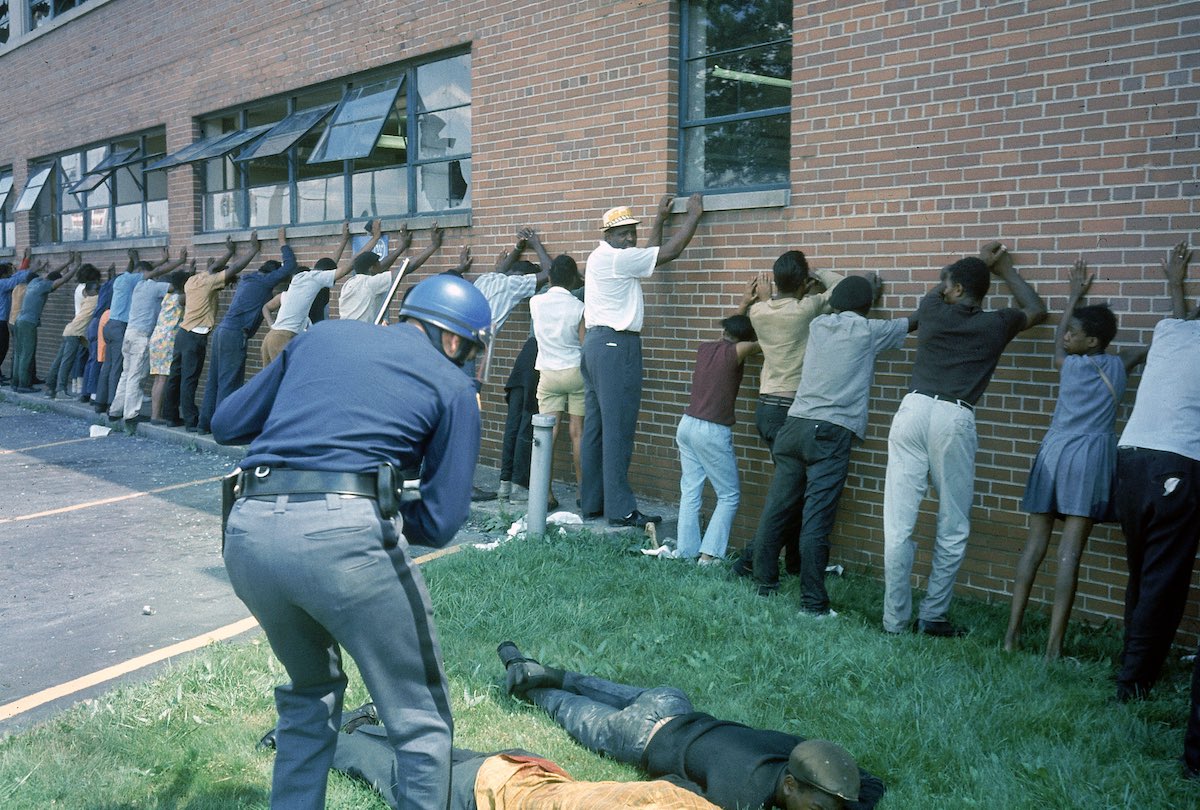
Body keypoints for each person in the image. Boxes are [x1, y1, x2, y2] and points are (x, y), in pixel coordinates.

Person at [212, 274, 493, 810]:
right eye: (470, 349)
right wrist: (374, 502)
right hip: (347, 537)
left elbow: (227, 422)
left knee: (310, 693)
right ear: (454, 340)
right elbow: (440, 520)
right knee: (419, 721)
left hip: (247, 531)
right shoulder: (454, 388)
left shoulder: (323, 336)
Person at [882, 242, 1047, 637]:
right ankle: (933, 616)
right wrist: (1003, 269)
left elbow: (943, 285)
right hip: (954, 417)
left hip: (913, 409)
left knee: (899, 524)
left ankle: (894, 622)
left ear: (954, 290)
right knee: (952, 523)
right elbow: (1038, 310)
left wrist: (975, 265)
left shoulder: (934, 311)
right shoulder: (998, 323)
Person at [496, 642, 885, 810]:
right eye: (817, 809)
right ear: (789, 786)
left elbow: (870, 783)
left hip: (674, 704)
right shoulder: (740, 798)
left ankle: (537, 669)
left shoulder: (792, 752)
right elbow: (674, 791)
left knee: (586, 685)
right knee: (565, 708)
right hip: (639, 736)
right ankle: (528, 685)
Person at [1004, 259, 1153, 661]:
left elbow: (1056, 343)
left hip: (1054, 453)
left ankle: (1011, 636)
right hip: (1090, 460)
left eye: (1075, 334)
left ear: (1091, 342)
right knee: (1070, 553)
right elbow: (1151, 347)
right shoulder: (1120, 365)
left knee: (1034, 547)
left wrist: (1072, 297)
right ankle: (1054, 648)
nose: (1066, 336)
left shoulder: (1068, 366)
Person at [752, 275, 912, 615]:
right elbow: (915, 322)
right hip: (830, 433)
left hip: (793, 426)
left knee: (777, 509)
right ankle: (812, 604)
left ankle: (763, 583)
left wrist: (829, 280)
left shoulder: (819, 325)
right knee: (816, 519)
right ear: (868, 307)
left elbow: (837, 297)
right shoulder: (869, 331)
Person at [318, 704, 722, 809]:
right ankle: (317, 738)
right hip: (487, 793)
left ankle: (366, 724)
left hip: (525, 767)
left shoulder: (688, 802)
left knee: (434, 755)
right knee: (391, 775)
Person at [1110, 241, 1199, 703]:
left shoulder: (1170, 332)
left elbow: (1182, 311)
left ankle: (1132, 666)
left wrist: (1175, 282)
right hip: (1176, 465)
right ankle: (1134, 683)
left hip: (1130, 461)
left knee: (1142, 572)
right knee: (1163, 580)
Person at [581, 194, 704, 528]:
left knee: (597, 429)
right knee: (618, 429)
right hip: (616, 346)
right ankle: (621, 510)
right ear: (606, 234)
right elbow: (668, 253)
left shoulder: (605, 256)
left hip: (595, 345)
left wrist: (660, 221)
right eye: (622, 233)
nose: (629, 237)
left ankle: (592, 502)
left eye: (632, 231)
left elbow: (645, 254)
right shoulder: (616, 259)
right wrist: (693, 215)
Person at [735, 252, 845, 578]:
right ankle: (750, 561)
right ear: (801, 281)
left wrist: (770, 296)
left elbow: (758, 310)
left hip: (766, 407)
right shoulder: (806, 310)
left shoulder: (758, 311)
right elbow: (841, 289)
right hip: (793, 412)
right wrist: (819, 273)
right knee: (789, 497)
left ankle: (793, 562)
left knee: (793, 491)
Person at [675, 305, 760, 563]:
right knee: (729, 495)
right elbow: (766, 341)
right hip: (711, 430)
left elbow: (731, 331)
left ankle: (686, 552)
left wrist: (744, 305)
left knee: (690, 490)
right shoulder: (740, 350)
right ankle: (709, 556)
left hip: (687, 424)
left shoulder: (705, 349)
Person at [195, 228, 296, 434]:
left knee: (213, 380)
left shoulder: (248, 279)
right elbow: (290, 266)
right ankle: (225, 428)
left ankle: (204, 425)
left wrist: (252, 249)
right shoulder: (265, 281)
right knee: (229, 382)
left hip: (221, 331)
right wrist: (282, 241)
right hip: (234, 334)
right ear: (272, 275)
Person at [172, 235, 260, 432]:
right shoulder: (208, 282)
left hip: (182, 334)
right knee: (190, 379)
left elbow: (215, 268)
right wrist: (253, 251)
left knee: (177, 377)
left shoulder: (194, 280)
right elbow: (233, 270)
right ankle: (191, 421)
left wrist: (229, 252)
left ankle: (171, 415)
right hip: (195, 336)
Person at [259, 220, 377, 364]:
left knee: (269, 384)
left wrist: (344, 239)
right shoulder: (315, 280)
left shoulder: (301, 281)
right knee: (292, 379)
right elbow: (349, 265)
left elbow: (329, 264)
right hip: (285, 338)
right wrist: (375, 239)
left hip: (271, 337)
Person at [528, 253, 586, 505]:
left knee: (547, 434)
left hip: (548, 373)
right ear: (573, 279)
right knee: (578, 433)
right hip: (575, 371)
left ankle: (545, 494)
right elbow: (584, 344)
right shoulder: (579, 307)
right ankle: (583, 493)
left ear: (550, 277)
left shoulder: (535, 303)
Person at [109, 250, 189, 425]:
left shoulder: (137, 287)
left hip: (129, 333)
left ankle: (115, 410)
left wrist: (168, 261)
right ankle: (130, 415)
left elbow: (159, 273)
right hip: (142, 336)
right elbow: (174, 287)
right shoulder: (154, 286)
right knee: (136, 377)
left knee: (126, 374)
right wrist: (184, 266)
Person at [338, 223, 443, 323]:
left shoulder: (348, 283)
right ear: (371, 268)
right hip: (361, 333)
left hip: (346, 330)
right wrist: (434, 245)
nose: (382, 266)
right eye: (378, 264)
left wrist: (402, 246)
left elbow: (382, 267)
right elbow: (405, 269)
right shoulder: (370, 284)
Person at [11, 255, 78, 391]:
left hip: (19, 321)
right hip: (28, 323)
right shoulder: (45, 286)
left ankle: (16, 383)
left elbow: (54, 274)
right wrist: (76, 266)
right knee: (27, 354)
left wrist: (68, 262)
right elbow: (63, 279)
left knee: (19, 353)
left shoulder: (35, 281)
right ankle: (24, 385)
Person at [45, 265, 100, 400]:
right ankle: (60, 390)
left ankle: (49, 387)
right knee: (67, 362)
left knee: (59, 360)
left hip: (71, 329)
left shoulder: (82, 292)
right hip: (76, 331)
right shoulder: (92, 295)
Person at [148, 268, 191, 426]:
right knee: (164, 380)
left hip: (157, 338)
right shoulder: (180, 298)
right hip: (168, 340)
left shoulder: (168, 296)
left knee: (158, 379)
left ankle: (155, 413)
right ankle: (157, 415)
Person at [0, 248, 34, 384]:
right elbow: (17, 279)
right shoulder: (2, 283)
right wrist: (32, 270)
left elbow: (16, 277)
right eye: (9, 270)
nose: (11, 272)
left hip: (2, 321)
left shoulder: (3, 282)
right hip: (0, 321)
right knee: (2, 348)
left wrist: (26, 260)